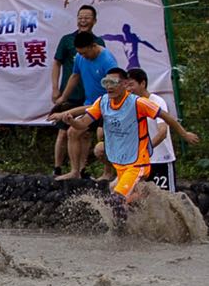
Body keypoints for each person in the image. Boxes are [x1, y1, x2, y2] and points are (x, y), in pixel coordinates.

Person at [51, 70, 200, 208]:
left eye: (130, 84)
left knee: (166, 200)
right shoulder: (105, 102)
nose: (109, 87)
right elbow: (85, 117)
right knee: (125, 195)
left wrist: (184, 134)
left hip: (156, 159)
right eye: (106, 83)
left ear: (134, 84)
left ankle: (181, 224)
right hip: (129, 162)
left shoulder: (145, 102)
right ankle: (133, 226)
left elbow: (164, 127)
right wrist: (70, 119)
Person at [54, 32, 121, 180]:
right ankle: (75, 171)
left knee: (102, 135)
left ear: (93, 46)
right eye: (79, 53)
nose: (82, 56)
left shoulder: (108, 61)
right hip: (90, 104)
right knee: (73, 132)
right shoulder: (79, 57)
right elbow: (75, 76)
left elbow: (115, 91)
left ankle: (108, 172)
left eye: (84, 53)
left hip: (107, 105)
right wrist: (63, 97)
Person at [50, 4, 97, 175]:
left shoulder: (98, 43)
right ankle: (57, 167)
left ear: (94, 21)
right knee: (63, 132)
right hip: (69, 94)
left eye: (87, 17)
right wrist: (56, 89)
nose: (83, 20)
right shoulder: (67, 40)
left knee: (84, 133)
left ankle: (81, 168)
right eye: (80, 17)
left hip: (88, 96)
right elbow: (57, 63)